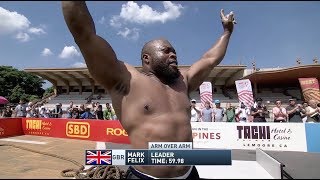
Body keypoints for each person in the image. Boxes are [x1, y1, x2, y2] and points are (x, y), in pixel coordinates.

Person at [62, 1, 236, 178]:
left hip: (189, 174)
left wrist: (227, 32)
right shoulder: (126, 80)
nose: (173, 54)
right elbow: (85, 35)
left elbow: (210, 59)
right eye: (166, 51)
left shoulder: (183, 81)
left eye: (174, 51)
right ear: (147, 58)